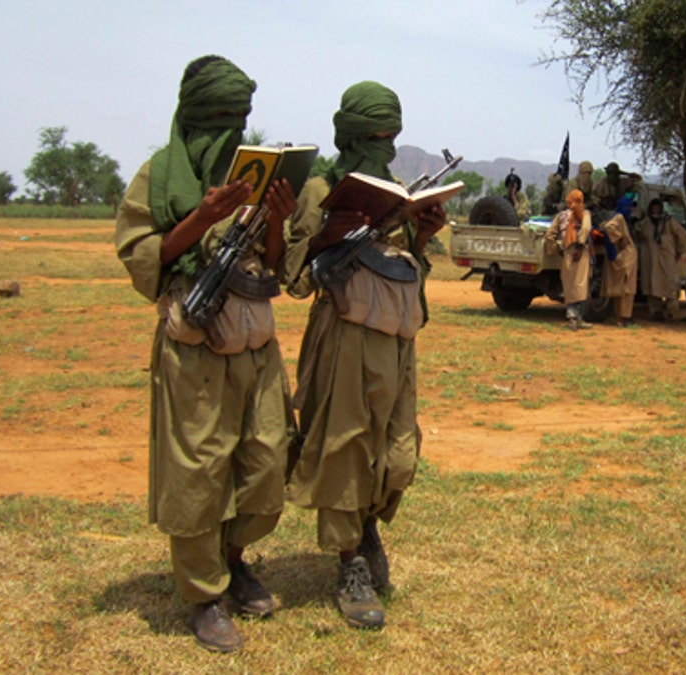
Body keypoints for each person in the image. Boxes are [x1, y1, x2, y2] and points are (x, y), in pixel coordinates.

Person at [114, 55, 298, 653]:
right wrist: (204, 216)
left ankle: (235, 557)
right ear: (193, 116)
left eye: (239, 117)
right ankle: (203, 595)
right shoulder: (158, 176)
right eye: (220, 117)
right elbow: (145, 256)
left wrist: (276, 220)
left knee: (268, 458)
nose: (230, 130)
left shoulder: (255, 172)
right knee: (198, 470)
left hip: (256, 341)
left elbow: (273, 263)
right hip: (193, 345)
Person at [283, 81, 446, 630]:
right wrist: (331, 232)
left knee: (398, 452)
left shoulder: (395, 191)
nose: (385, 149)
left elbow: (409, 269)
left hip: (398, 340)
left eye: (392, 138)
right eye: (375, 137)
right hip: (345, 337)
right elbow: (296, 279)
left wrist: (420, 235)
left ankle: (369, 522)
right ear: (350, 134)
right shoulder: (320, 189)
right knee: (345, 447)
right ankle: (349, 562)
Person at [545, 188, 594, 330]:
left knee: (570, 286)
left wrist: (557, 249)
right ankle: (578, 319)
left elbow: (550, 235)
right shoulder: (585, 214)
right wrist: (579, 246)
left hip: (567, 252)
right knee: (581, 285)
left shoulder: (561, 216)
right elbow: (585, 229)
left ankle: (572, 318)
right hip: (581, 252)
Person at [636, 198, 686, 322]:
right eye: (653, 208)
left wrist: (679, 251)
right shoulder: (646, 222)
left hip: (666, 260)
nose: (655, 211)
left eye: (657, 208)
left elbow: (682, 235)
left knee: (670, 286)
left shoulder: (669, 222)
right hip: (650, 259)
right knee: (651, 286)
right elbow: (638, 232)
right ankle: (655, 312)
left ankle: (672, 314)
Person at [598, 196, 638, 327]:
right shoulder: (619, 218)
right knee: (628, 289)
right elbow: (609, 228)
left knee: (621, 288)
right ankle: (625, 316)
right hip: (626, 257)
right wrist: (620, 238)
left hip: (623, 256)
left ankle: (620, 316)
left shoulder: (615, 216)